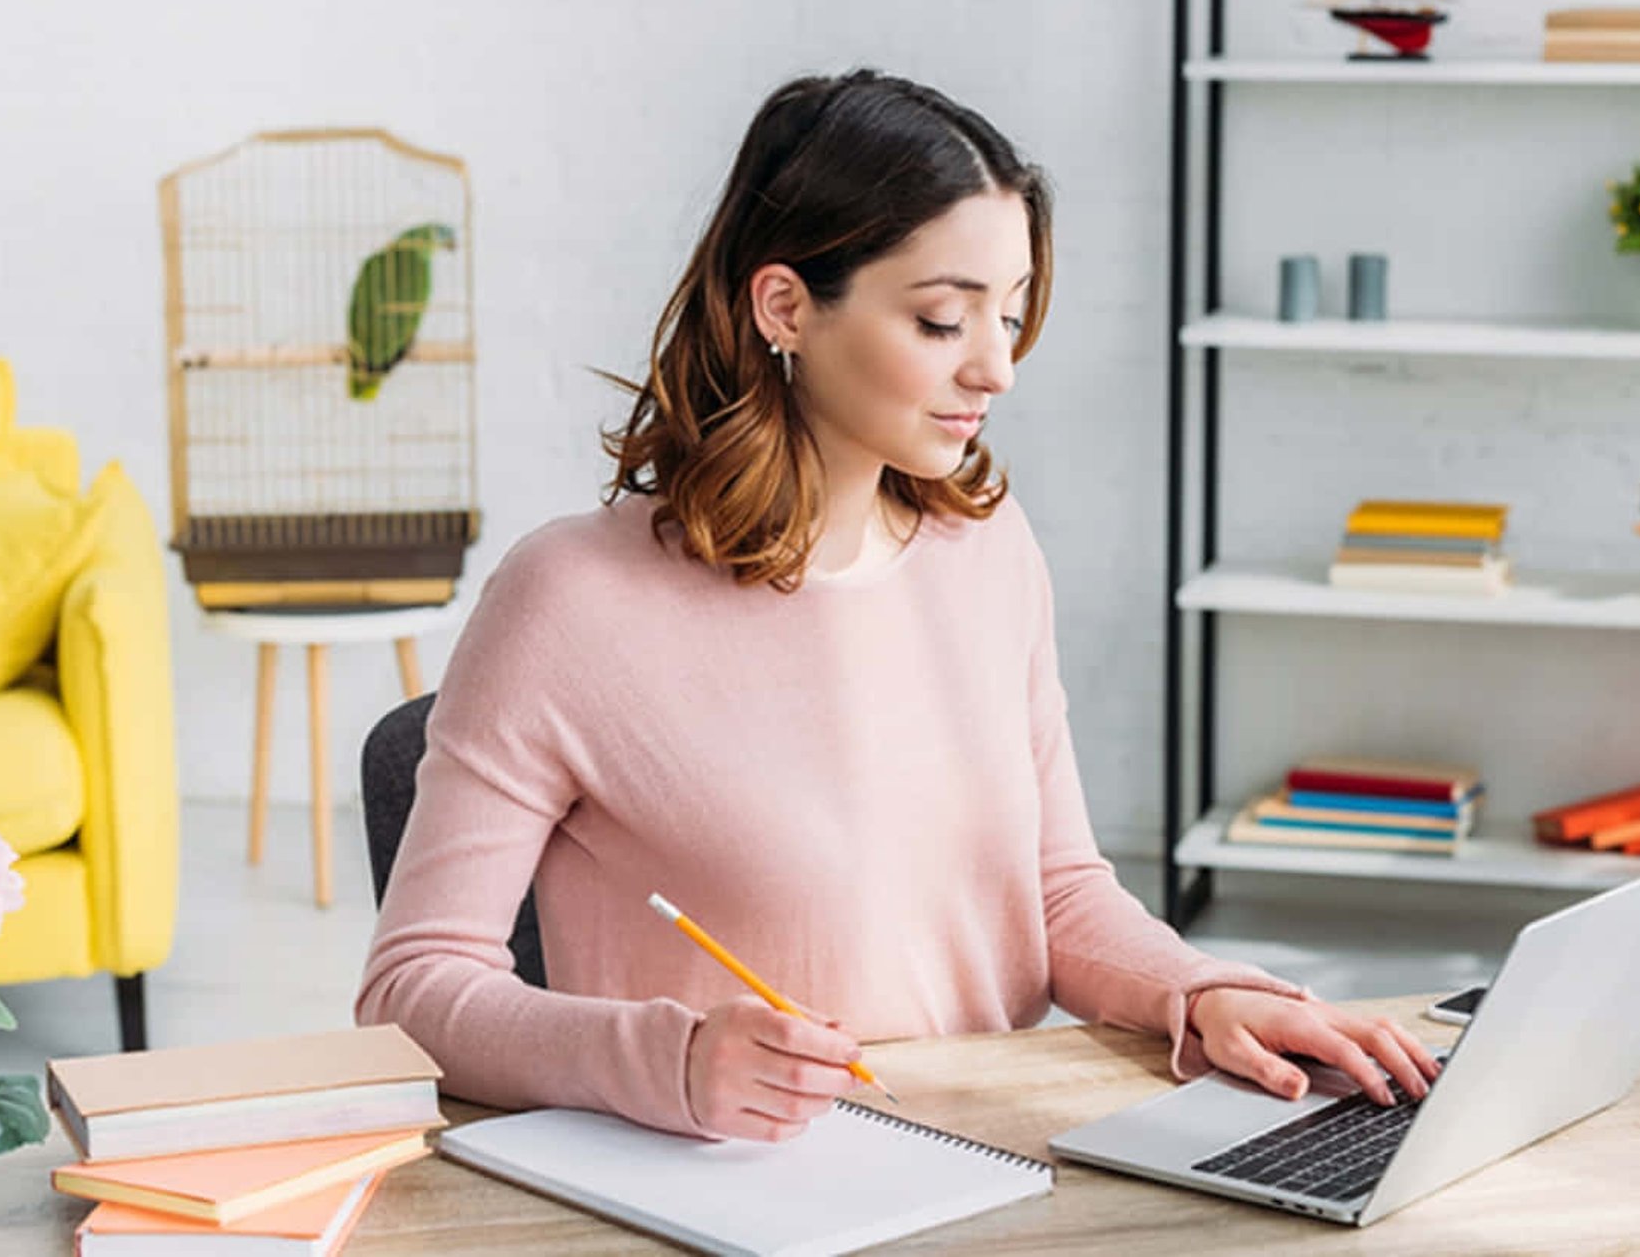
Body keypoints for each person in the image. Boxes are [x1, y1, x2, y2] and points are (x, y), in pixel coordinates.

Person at [356, 68, 1441, 1144]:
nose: (997, 367)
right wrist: (670, 1061)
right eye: (941, 320)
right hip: (727, 1184)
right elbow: (411, 990)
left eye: (1009, 315)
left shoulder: (989, 550)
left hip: (994, 1157)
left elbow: (1054, 891)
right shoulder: (570, 600)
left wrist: (1203, 994)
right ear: (786, 307)